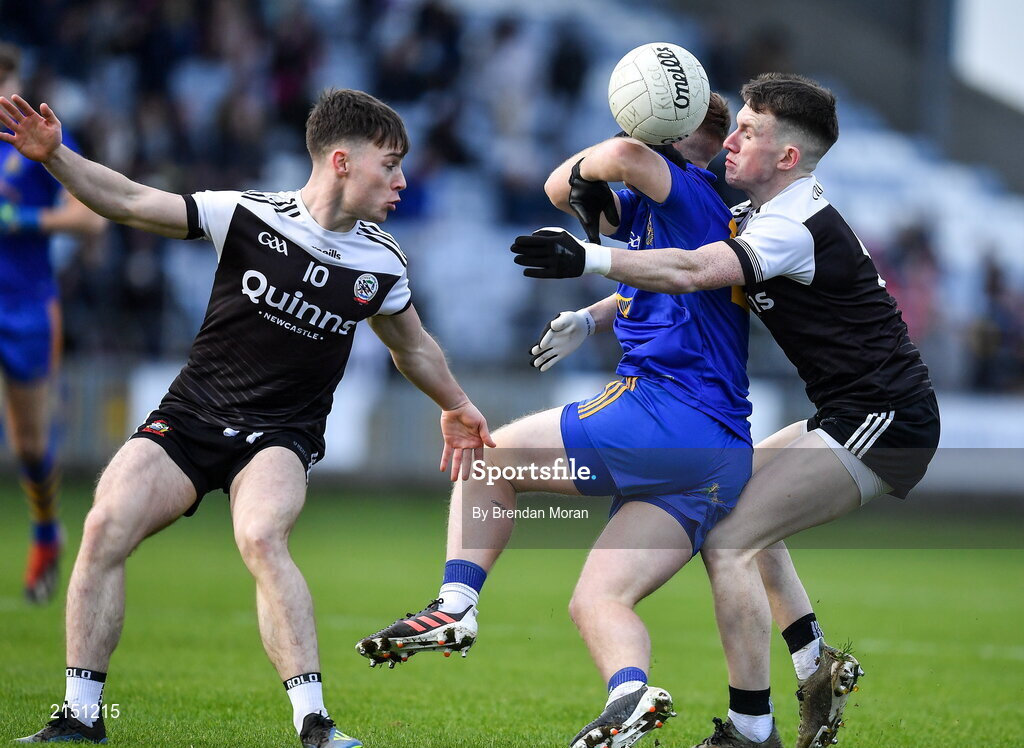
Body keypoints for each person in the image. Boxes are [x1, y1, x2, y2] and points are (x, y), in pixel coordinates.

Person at [1, 87, 494, 747]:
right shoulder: (245, 214)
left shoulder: (381, 261)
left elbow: (414, 348)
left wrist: (457, 405)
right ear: (342, 161)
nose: (402, 180)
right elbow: (125, 199)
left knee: (262, 537)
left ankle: (315, 723)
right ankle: (80, 716)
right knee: (104, 524)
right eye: (390, 163)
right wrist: (56, 156)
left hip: (279, 437)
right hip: (192, 416)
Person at [511, 73, 940, 748]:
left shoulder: (790, 228)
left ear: (788, 157)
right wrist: (594, 320)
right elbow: (669, 271)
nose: (731, 138)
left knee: (730, 537)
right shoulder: (756, 216)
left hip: (887, 420)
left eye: (749, 130)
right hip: (851, 411)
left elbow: (686, 271)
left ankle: (751, 730)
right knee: (736, 492)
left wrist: (590, 257)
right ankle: (814, 663)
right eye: (735, 124)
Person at [357, 94, 755, 748]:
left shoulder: (687, 187)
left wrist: (636, 131)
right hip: (716, 452)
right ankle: (630, 694)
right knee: (597, 600)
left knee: (486, 462)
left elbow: (617, 159)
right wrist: (593, 317)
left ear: (674, 134)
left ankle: (453, 607)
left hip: (666, 412)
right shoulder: (700, 214)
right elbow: (567, 196)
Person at [0, 43, 105, 605]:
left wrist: (22, 218)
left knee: (29, 443)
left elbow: (90, 219)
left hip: (24, 306)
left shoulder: (37, 136)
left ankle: (46, 532)